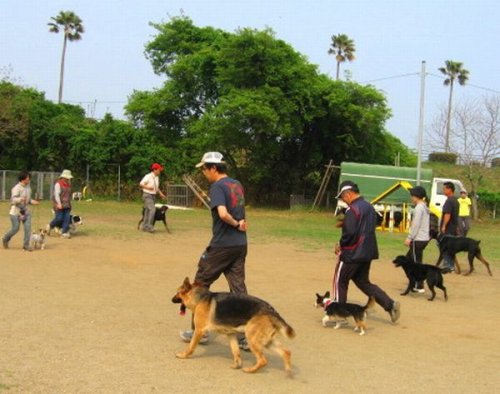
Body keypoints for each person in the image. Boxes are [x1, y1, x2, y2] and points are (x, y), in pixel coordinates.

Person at [179, 152, 249, 349]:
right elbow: (241, 213)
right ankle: (245, 336)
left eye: (204, 168)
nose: (203, 172)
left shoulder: (217, 186)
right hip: (240, 244)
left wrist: (235, 224)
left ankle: (198, 332)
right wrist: (240, 224)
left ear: (213, 168)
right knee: (238, 289)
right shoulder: (236, 184)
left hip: (222, 245)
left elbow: (223, 213)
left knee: (200, 285)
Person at [333, 180, 400, 323]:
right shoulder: (369, 207)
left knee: (340, 281)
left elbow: (350, 232)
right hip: (367, 252)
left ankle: (340, 313)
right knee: (363, 282)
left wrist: (341, 244)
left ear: (348, 194)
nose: (343, 201)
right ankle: (390, 305)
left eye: (343, 197)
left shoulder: (353, 209)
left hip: (352, 253)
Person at [2, 171, 40, 251]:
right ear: (22, 179)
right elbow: (13, 199)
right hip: (15, 211)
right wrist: (20, 199)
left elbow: (28, 200)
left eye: (29, 178)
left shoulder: (28, 187)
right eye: (27, 178)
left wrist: (33, 202)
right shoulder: (16, 188)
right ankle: (5, 238)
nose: (29, 180)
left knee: (28, 228)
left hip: (25, 211)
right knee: (15, 228)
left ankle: (26, 245)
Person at [404, 186, 430, 293]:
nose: (411, 198)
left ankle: (419, 285)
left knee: (416, 263)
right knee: (408, 259)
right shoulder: (424, 206)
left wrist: (410, 238)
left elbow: (416, 225)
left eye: (412, 196)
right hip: (423, 238)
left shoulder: (419, 207)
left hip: (418, 239)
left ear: (416, 196)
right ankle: (415, 282)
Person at [139, 163, 167, 233]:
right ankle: (149, 226)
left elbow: (156, 188)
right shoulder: (148, 176)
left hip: (153, 196)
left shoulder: (157, 178)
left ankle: (144, 227)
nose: (160, 171)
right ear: (155, 170)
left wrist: (161, 194)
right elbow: (141, 184)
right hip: (147, 195)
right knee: (153, 210)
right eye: (159, 170)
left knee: (147, 211)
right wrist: (148, 187)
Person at [440, 182, 460, 273]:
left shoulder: (449, 201)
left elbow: (447, 214)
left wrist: (444, 225)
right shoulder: (456, 200)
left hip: (448, 228)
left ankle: (448, 265)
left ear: (449, 189)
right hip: (453, 227)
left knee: (444, 246)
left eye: (444, 189)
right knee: (449, 247)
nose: (443, 190)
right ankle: (450, 265)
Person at [47, 169, 73, 239]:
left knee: (67, 219)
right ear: (64, 177)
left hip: (67, 204)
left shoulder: (69, 185)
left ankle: (64, 232)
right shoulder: (58, 184)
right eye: (67, 178)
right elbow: (56, 195)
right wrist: (59, 204)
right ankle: (50, 226)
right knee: (59, 218)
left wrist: (70, 204)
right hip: (59, 204)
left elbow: (69, 195)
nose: (68, 179)